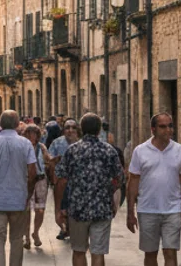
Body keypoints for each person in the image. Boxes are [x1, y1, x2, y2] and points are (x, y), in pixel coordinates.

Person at [55, 113, 124, 266]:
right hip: (102, 208)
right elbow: (119, 178)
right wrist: (110, 195)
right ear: (99, 130)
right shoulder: (109, 150)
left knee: (79, 251)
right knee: (98, 252)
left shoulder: (72, 150)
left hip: (77, 209)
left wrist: (60, 207)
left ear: (81, 129)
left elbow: (60, 180)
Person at [127, 113, 181, 266]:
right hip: (147, 210)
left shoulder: (179, 150)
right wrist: (130, 212)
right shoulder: (140, 151)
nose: (168, 130)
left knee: (170, 252)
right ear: (153, 129)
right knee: (150, 254)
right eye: (163, 126)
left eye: (170, 125)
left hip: (173, 210)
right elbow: (133, 182)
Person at [0, 110, 37, 266]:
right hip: (19, 198)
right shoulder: (25, 144)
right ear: (18, 124)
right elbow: (33, 173)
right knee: (17, 239)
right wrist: (28, 192)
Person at [47, 119, 80, 240]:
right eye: (67, 127)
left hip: (77, 181)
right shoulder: (57, 143)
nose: (70, 130)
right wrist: (53, 160)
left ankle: (72, 228)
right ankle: (64, 227)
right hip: (61, 181)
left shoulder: (81, 143)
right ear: (63, 130)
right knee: (61, 206)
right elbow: (50, 157)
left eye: (73, 127)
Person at [21, 124, 50, 249]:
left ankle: (36, 233)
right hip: (26, 181)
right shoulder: (22, 147)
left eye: (35, 134)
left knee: (40, 209)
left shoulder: (41, 147)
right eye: (29, 133)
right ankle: (26, 237)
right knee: (26, 210)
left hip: (40, 180)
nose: (32, 136)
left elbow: (47, 160)